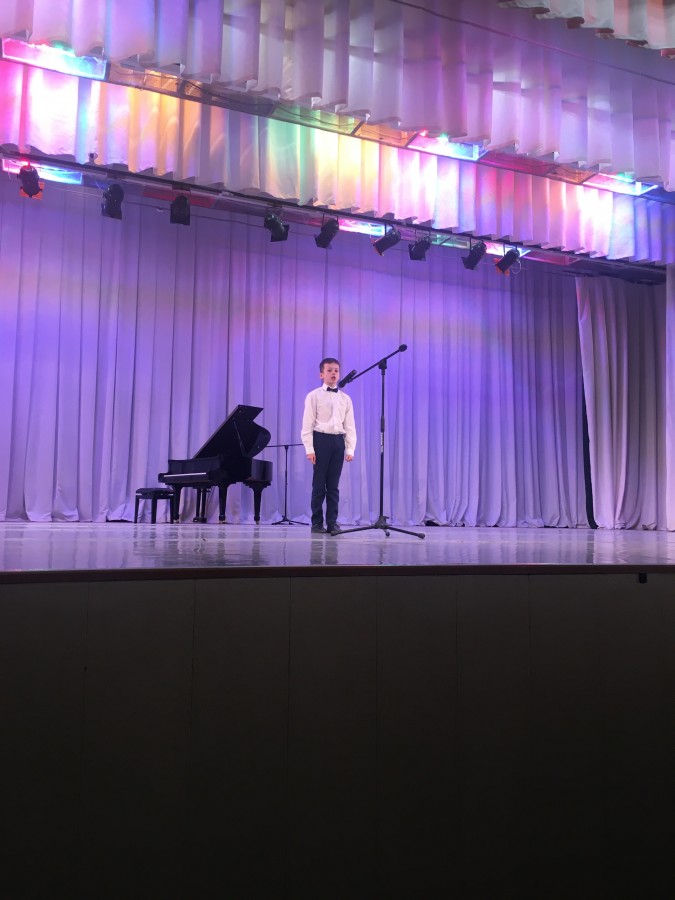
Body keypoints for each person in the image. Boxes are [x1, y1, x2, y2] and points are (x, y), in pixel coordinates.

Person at [301, 357, 356, 534]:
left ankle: (332, 522)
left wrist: (350, 448)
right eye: (329, 370)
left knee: (333, 486)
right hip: (321, 440)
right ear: (321, 374)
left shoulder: (345, 399)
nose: (333, 373)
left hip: (338, 442)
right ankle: (317, 523)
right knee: (319, 485)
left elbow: (350, 426)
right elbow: (307, 425)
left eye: (336, 371)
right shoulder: (313, 396)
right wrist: (309, 449)